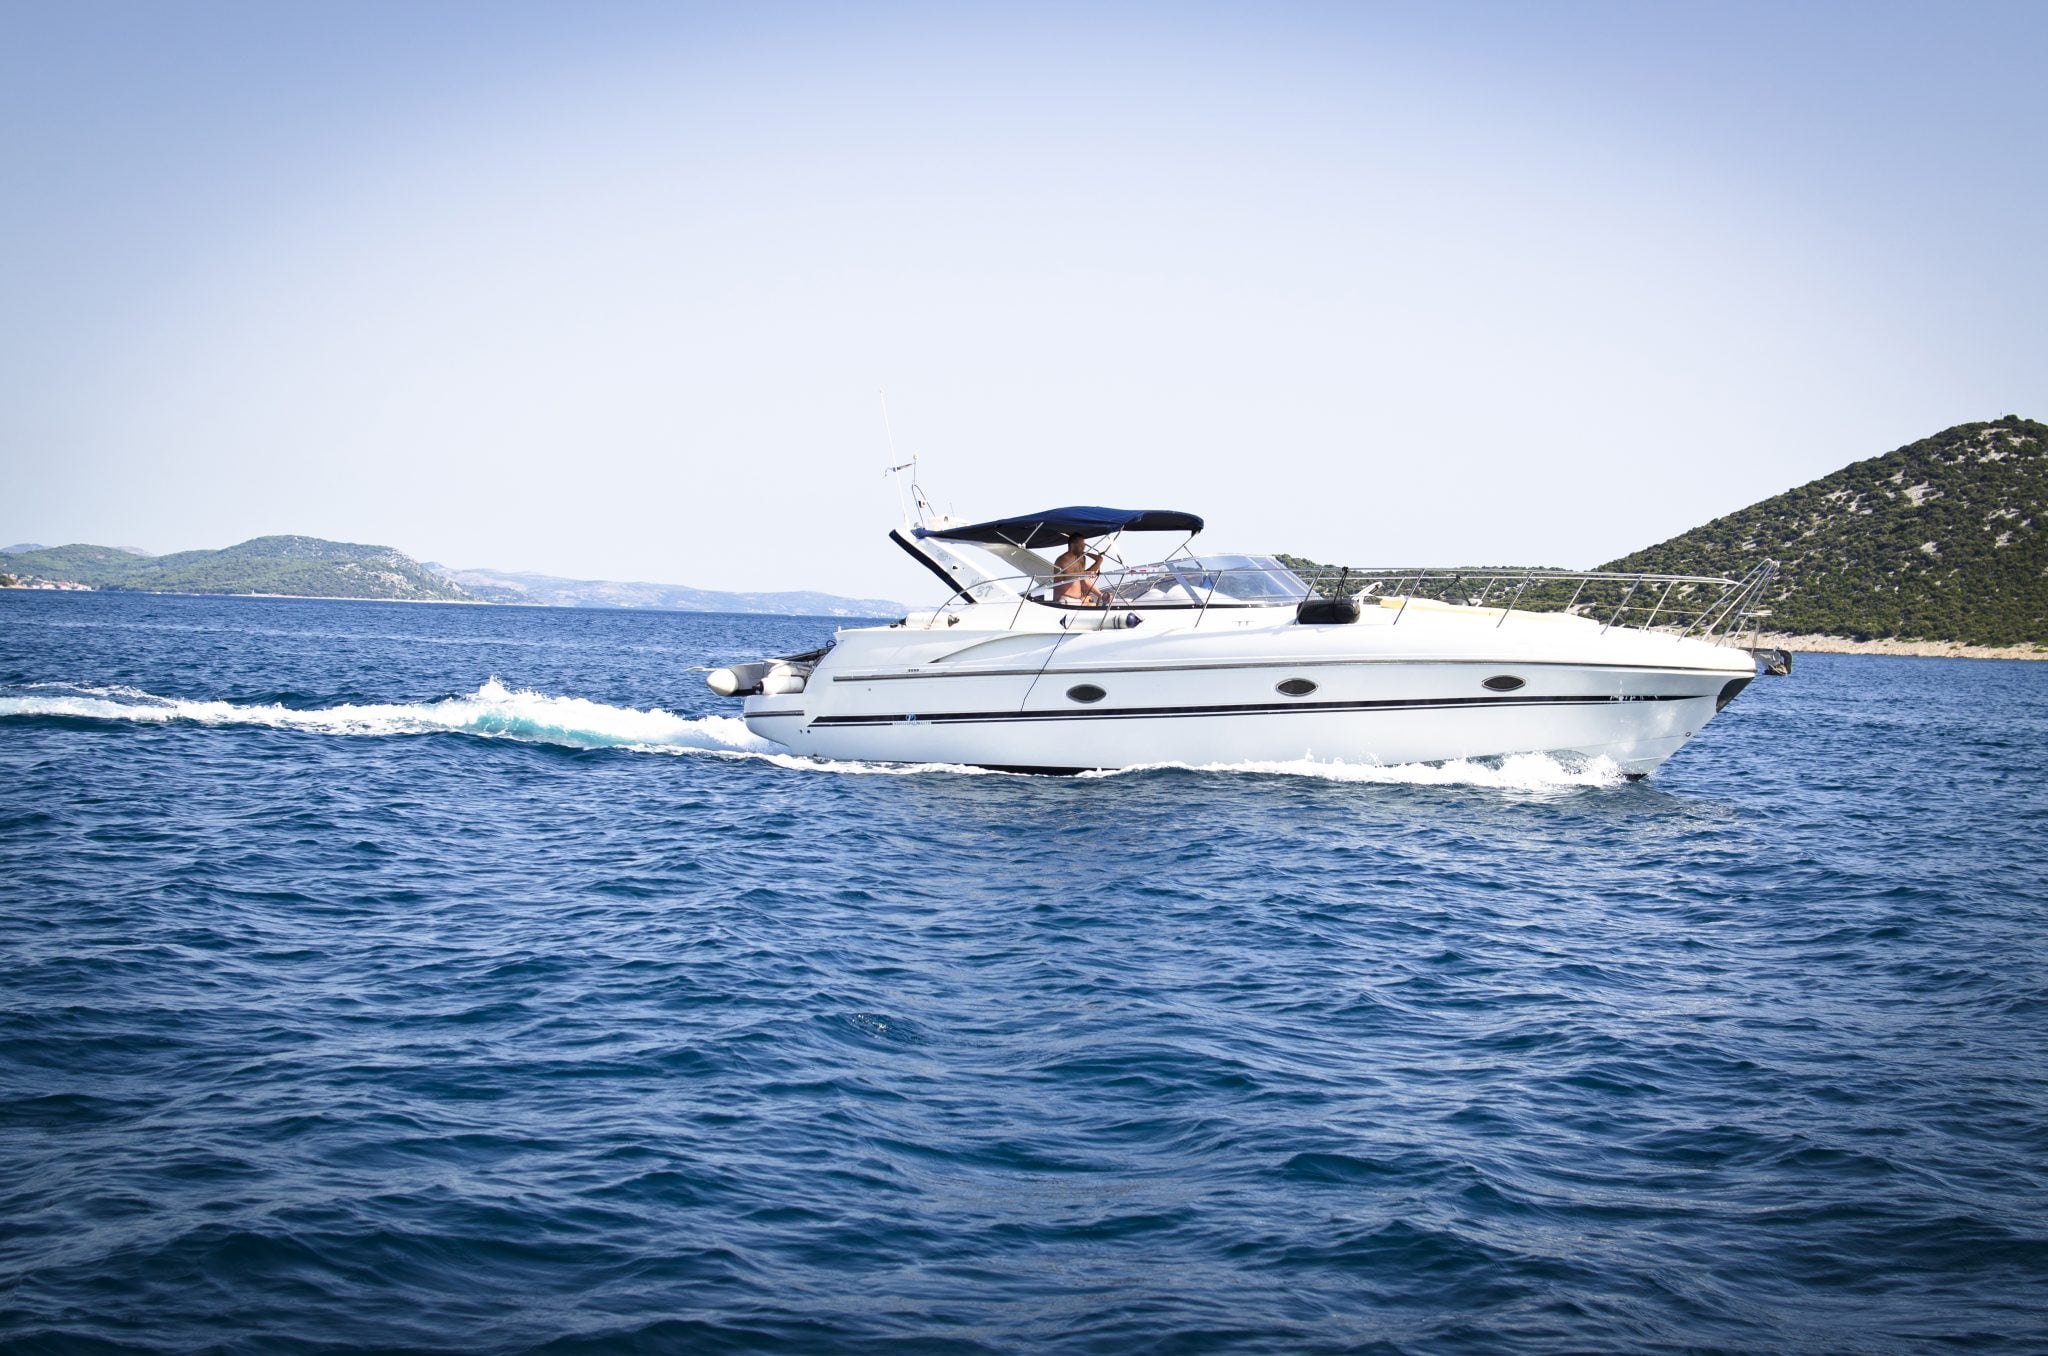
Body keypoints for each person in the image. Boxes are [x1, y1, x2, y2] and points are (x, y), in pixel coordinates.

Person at [1052, 533, 1107, 605]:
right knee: (1084, 576)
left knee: (1099, 560)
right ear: (1072, 545)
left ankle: (1101, 596)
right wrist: (1087, 573)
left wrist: (1087, 554)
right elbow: (1071, 576)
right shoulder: (1062, 560)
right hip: (1065, 599)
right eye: (1081, 545)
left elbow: (1084, 577)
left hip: (1078, 600)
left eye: (1084, 545)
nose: (1084, 547)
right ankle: (1101, 596)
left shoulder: (1081, 558)